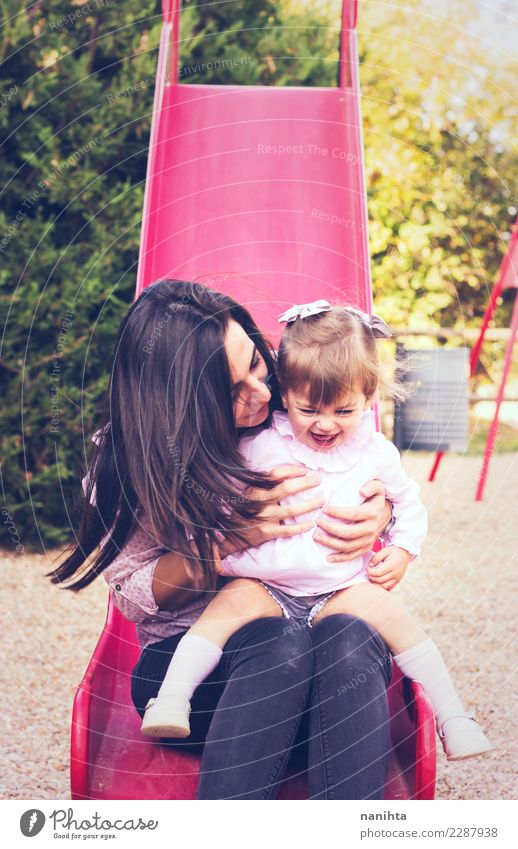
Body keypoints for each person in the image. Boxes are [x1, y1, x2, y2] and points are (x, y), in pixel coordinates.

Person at [49, 279, 395, 800]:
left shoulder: (297, 405)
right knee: (278, 644)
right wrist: (230, 543)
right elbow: (132, 593)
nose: (260, 393)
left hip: (324, 688)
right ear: (176, 401)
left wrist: (383, 513)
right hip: (197, 679)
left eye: (257, 364)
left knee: (351, 634)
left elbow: (367, 461)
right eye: (230, 389)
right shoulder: (132, 458)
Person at [141, 300, 492, 763]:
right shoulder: (261, 444)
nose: (326, 424)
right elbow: (218, 495)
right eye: (310, 409)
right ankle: (171, 699)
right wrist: (232, 521)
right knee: (225, 609)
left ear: (369, 400)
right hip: (268, 584)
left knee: (397, 621)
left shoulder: (377, 454)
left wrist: (403, 549)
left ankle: (454, 719)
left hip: (339, 586)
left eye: (344, 411)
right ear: (285, 394)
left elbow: (409, 504)